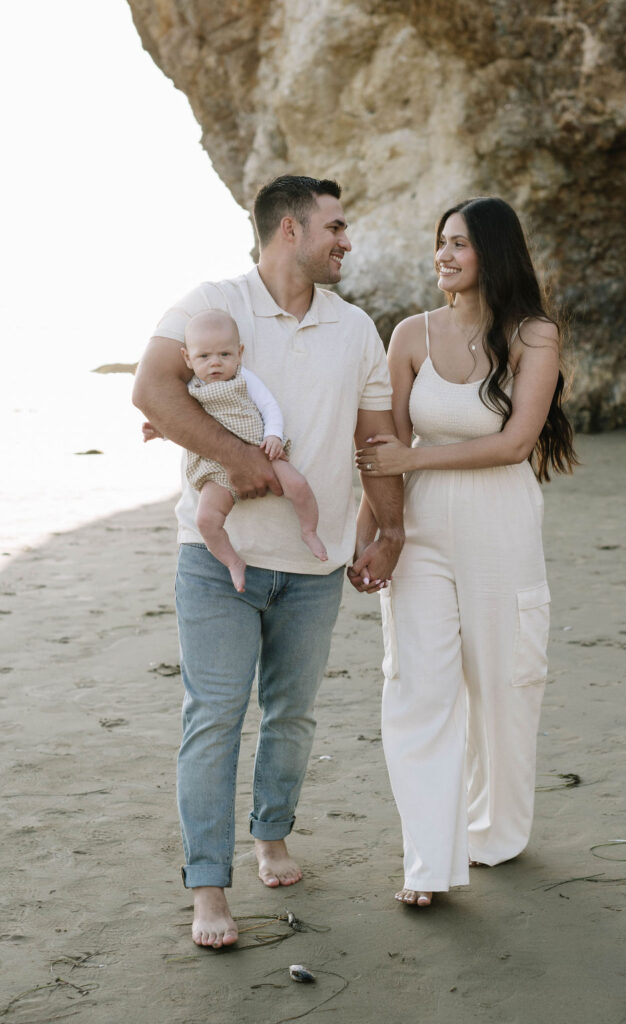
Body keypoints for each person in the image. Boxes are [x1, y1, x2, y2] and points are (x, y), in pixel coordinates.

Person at [132, 175, 404, 947]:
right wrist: (241, 459)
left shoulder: (355, 327)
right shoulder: (212, 301)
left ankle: (271, 834)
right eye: (334, 227)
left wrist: (390, 531)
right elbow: (153, 389)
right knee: (213, 717)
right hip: (217, 562)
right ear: (290, 230)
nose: (344, 240)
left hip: (314, 571)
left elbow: (374, 442)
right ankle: (209, 890)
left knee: (291, 716)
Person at [355, 196, 577, 907]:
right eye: (439, 243)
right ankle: (428, 863)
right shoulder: (410, 335)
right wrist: (371, 535)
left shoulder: (532, 336)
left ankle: (494, 833)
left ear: (493, 252)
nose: (443, 256)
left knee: (503, 686)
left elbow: (514, 444)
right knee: (416, 689)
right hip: (416, 533)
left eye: (459, 244)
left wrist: (411, 465)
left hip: (499, 528)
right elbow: (378, 448)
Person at [144, 308, 328, 593]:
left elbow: (269, 407)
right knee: (205, 520)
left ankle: (309, 531)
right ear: (187, 358)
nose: (215, 363)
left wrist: (274, 436)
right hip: (215, 467)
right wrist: (161, 431)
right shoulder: (191, 391)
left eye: (224, 355)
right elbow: (184, 425)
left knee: (299, 485)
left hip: (260, 448)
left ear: (239, 353)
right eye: (204, 357)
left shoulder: (244, 379)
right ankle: (232, 561)